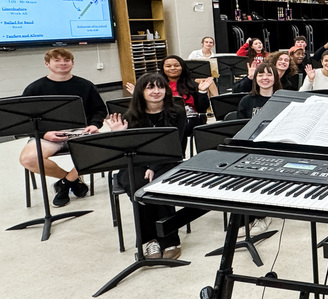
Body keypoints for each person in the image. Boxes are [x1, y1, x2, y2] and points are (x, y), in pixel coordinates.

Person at [105, 72, 186, 260]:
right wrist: (119, 134)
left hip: (168, 160)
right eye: (150, 87)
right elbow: (126, 150)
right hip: (135, 163)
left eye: (160, 87)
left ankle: (169, 238)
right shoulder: (130, 116)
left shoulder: (177, 112)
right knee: (138, 187)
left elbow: (175, 146)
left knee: (159, 183)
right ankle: (149, 240)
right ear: (141, 91)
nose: (156, 91)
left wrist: (154, 167)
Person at [19, 48, 106, 206]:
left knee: (100, 150)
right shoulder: (34, 88)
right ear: (47, 64)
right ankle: (71, 180)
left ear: (72, 63)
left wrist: (94, 125)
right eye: (57, 60)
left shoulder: (86, 85)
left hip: (80, 131)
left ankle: (65, 185)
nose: (62, 63)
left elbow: (99, 110)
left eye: (66, 60)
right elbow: (25, 119)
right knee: (28, 159)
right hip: (48, 134)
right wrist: (44, 134)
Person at [160, 55, 213, 138]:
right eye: (168, 66)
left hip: (190, 120)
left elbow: (202, 109)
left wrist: (202, 91)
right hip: (166, 119)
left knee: (179, 128)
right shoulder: (158, 86)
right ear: (163, 68)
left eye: (176, 65)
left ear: (182, 67)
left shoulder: (192, 85)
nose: (173, 68)